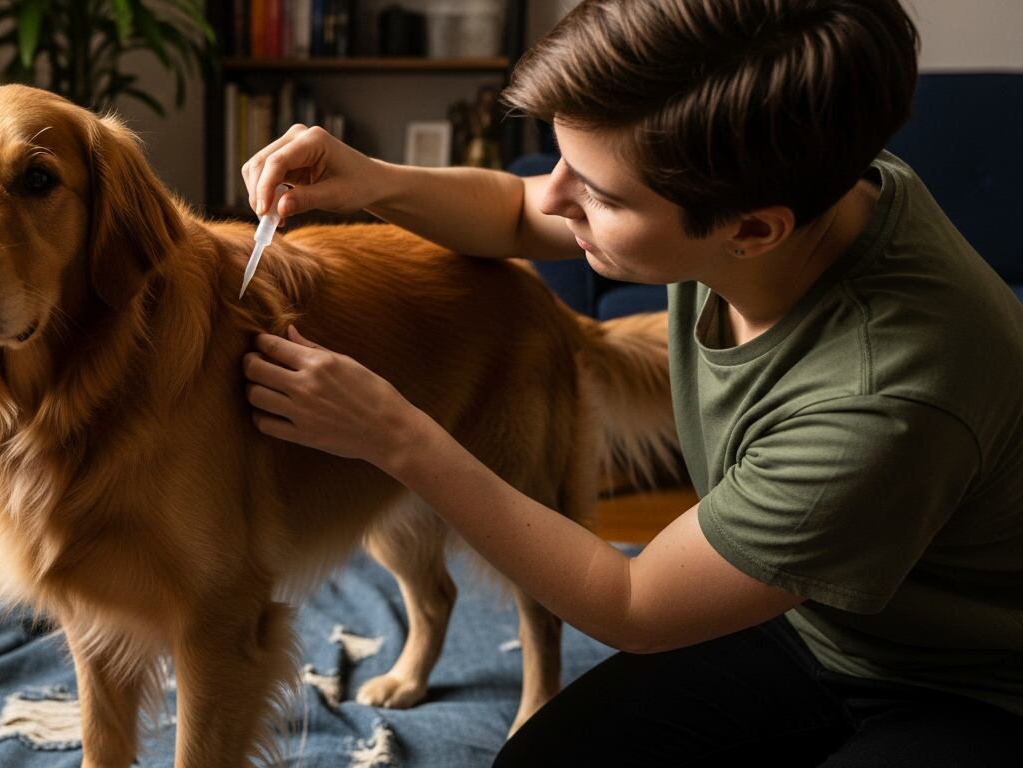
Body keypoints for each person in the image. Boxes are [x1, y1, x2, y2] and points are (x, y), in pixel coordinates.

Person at [238, 0, 1023, 765]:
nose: (552, 196)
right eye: (563, 162)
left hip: (965, 684)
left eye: (599, 195)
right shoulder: (801, 172)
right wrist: (369, 179)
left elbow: (633, 605)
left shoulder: (881, 398)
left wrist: (393, 435)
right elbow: (516, 211)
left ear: (751, 231)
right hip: (812, 620)